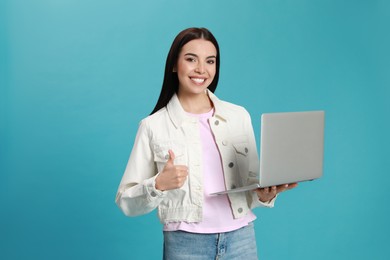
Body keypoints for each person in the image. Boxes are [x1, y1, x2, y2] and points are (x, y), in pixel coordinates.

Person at [115, 27, 298, 259]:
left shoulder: (238, 116)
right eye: (191, 59)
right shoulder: (153, 126)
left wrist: (265, 194)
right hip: (186, 243)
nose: (201, 69)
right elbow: (126, 202)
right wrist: (158, 184)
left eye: (210, 61)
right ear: (174, 64)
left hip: (241, 237)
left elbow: (250, 188)